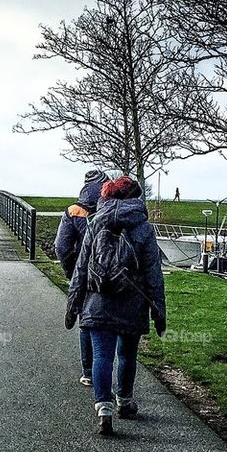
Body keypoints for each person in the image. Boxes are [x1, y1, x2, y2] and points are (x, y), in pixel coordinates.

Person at [65, 175, 166, 437]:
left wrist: (73, 305)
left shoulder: (94, 223)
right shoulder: (143, 229)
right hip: (132, 302)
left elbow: (81, 268)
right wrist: (159, 310)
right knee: (127, 355)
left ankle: (104, 410)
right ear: (136, 198)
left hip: (98, 302)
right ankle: (125, 401)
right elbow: (153, 273)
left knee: (102, 356)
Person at [55, 170, 108, 386]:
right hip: (110, 274)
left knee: (86, 321)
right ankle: (115, 380)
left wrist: (71, 272)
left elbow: (61, 246)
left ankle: (88, 372)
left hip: (83, 273)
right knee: (110, 322)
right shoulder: (109, 207)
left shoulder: (73, 211)